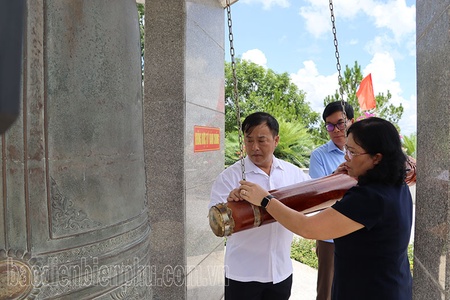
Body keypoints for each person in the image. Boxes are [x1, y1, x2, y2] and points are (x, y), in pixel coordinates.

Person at [235, 117, 413, 300]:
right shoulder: (397, 185)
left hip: (369, 290)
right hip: (394, 285)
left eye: (352, 152)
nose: (346, 157)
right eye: (346, 150)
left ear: (377, 158)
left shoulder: (369, 198)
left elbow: (307, 227)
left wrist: (265, 200)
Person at [209, 112, 311, 300]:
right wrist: (231, 206)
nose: (254, 147)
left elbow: (314, 200)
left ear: (276, 140)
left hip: (281, 272)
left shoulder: (293, 174)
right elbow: (216, 223)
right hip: (243, 274)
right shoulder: (229, 177)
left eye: (262, 140)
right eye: (249, 141)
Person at [309, 101, 354, 300]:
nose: (335, 130)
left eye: (341, 123)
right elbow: (320, 196)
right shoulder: (319, 156)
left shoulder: (364, 153)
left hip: (358, 231)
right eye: (330, 125)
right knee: (326, 291)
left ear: (351, 121)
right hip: (330, 236)